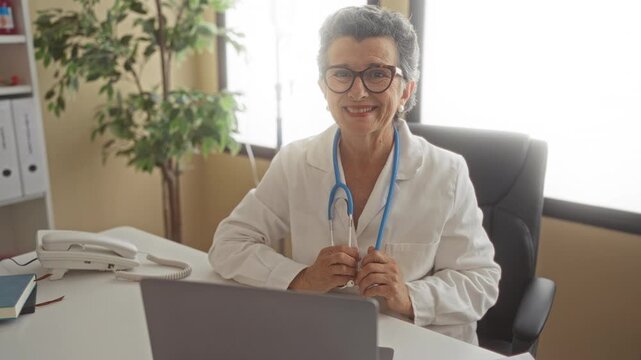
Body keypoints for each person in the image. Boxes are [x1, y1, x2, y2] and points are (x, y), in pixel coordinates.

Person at [209, 5, 500, 344]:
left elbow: (481, 281)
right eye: (342, 73)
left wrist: (408, 296)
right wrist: (301, 278)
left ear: (405, 90)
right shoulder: (296, 161)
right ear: (324, 87)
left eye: (378, 74)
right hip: (322, 338)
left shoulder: (446, 172)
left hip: (414, 341)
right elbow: (228, 245)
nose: (358, 91)